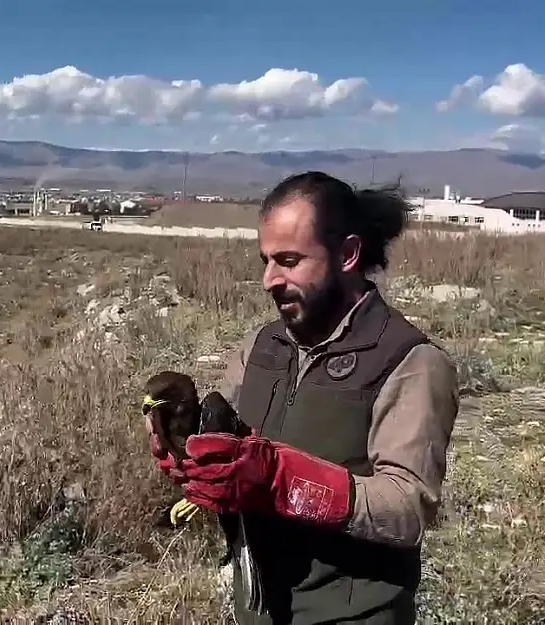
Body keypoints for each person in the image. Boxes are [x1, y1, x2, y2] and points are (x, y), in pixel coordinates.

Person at [148, 171, 461, 624]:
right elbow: (231, 448)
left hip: (352, 614)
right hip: (259, 607)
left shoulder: (410, 361)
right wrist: (186, 448)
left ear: (348, 254)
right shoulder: (262, 346)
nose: (269, 280)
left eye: (290, 261)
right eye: (266, 260)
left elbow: (408, 508)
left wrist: (286, 481)